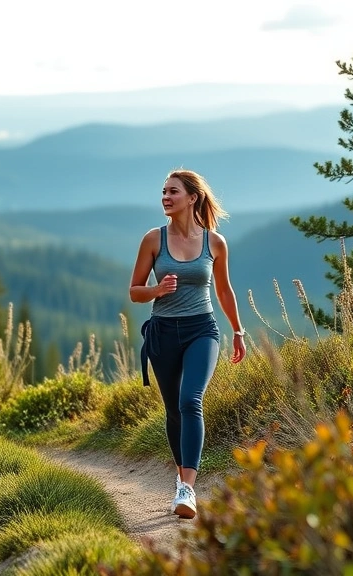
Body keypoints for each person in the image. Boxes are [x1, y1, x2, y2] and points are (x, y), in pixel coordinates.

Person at [129, 168, 247, 519]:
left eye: (173, 192)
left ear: (192, 197)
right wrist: (156, 290)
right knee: (173, 410)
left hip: (202, 330)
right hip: (163, 333)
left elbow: (224, 290)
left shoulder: (214, 242)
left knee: (190, 399)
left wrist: (238, 331)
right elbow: (135, 291)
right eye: (163, 192)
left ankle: (187, 488)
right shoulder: (154, 239)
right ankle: (181, 479)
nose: (166, 197)